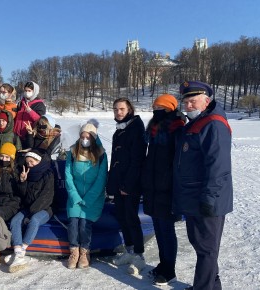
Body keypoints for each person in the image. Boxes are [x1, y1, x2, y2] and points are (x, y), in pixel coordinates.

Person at [174, 81, 233, 290]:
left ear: (206, 101)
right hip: (194, 198)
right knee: (202, 247)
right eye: (186, 102)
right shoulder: (197, 123)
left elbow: (218, 166)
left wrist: (210, 198)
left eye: (193, 101)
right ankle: (210, 286)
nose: (188, 106)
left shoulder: (213, 124)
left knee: (207, 250)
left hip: (207, 199)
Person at [141, 94, 186, 285]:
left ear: (169, 108)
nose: (155, 110)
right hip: (153, 185)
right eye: (154, 107)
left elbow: (180, 161)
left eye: (159, 107)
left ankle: (170, 269)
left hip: (168, 187)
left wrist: (172, 183)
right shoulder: (153, 128)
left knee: (167, 229)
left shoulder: (178, 128)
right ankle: (162, 264)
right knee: (158, 228)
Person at [106, 97, 147, 274]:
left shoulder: (136, 128)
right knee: (122, 217)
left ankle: (139, 255)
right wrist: (112, 184)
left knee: (131, 217)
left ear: (129, 109)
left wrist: (127, 185)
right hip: (119, 181)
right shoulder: (119, 130)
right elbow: (116, 160)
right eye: (115, 109)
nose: (118, 112)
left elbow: (137, 160)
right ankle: (129, 251)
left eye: (121, 109)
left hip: (131, 182)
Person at [64, 121, 107, 269]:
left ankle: (85, 252)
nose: (85, 139)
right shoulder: (73, 151)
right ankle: (74, 251)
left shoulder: (101, 154)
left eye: (88, 137)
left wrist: (89, 198)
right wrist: (74, 196)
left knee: (84, 224)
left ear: (94, 138)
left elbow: (101, 179)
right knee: (73, 223)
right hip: (74, 195)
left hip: (93, 197)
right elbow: (68, 175)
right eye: (82, 136)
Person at [5, 149, 54, 273]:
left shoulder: (48, 175)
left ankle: (22, 251)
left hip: (45, 208)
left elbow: (46, 197)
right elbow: (24, 196)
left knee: (34, 220)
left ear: (38, 161)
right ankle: (18, 253)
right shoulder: (28, 174)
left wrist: (31, 213)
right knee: (15, 220)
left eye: (32, 162)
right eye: (28, 163)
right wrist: (22, 181)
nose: (29, 165)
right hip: (29, 207)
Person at [13, 81, 46, 147]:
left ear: (34, 91)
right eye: (25, 90)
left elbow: (41, 120)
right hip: (16, 135)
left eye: (29, 90)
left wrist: (30, 111)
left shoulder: (39, 104)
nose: (27, 92)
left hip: (29, 136)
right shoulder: (21, 102)